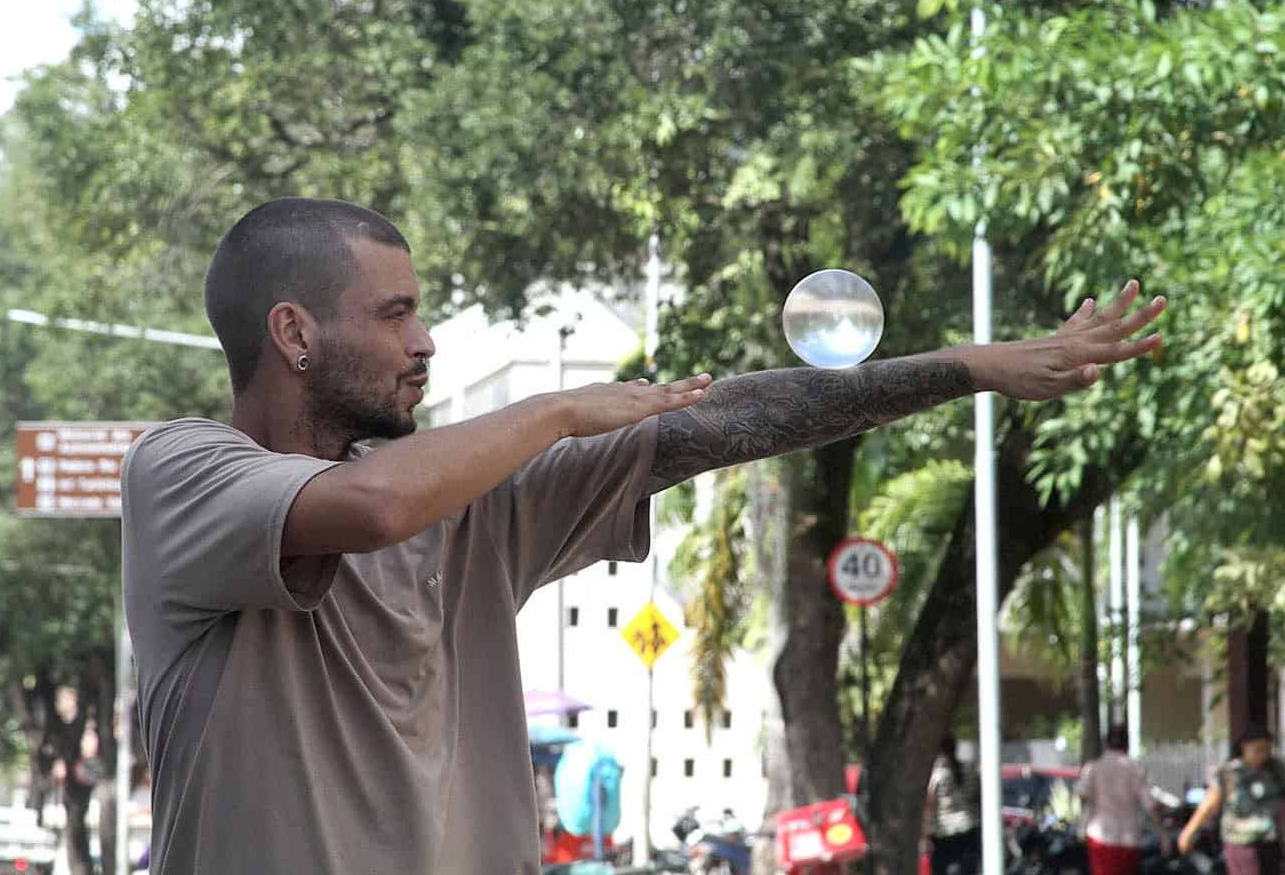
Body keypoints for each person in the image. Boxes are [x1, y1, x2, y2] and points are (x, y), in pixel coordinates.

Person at [120, 197, 1166, 875]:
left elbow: (715, 420)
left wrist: (969, 366)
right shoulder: (183, 474)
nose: (426, 341)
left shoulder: (479, 504)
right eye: (395, 314)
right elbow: (374, 508)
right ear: (294, 332)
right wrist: (563, 409)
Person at [1179, 723, 1285, 874]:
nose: (1263, 755)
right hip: (1242, 844)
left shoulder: (1276, 770)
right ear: (1244, 747)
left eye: (1267, 750)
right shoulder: (1230, 773)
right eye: (1258, 750)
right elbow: (1210, 805)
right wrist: (1189, 832)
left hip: (1271, 844)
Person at [1078, 724, 1166, 875]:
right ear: (1127, 743)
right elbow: (1150, 804)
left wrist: (1082, 824)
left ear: (1106, 743)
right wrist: (1164, 835)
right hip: (1129, 840)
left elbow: (1084, 797)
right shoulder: (1135, 769)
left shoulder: (1093, 768)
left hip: (1100, 838)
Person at [924, 737, 980, 875]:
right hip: (970, 827)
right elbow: (978, 798)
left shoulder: (937, 776)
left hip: (944, 833)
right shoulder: (970, 770)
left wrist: (925, 835)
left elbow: (930, 807)